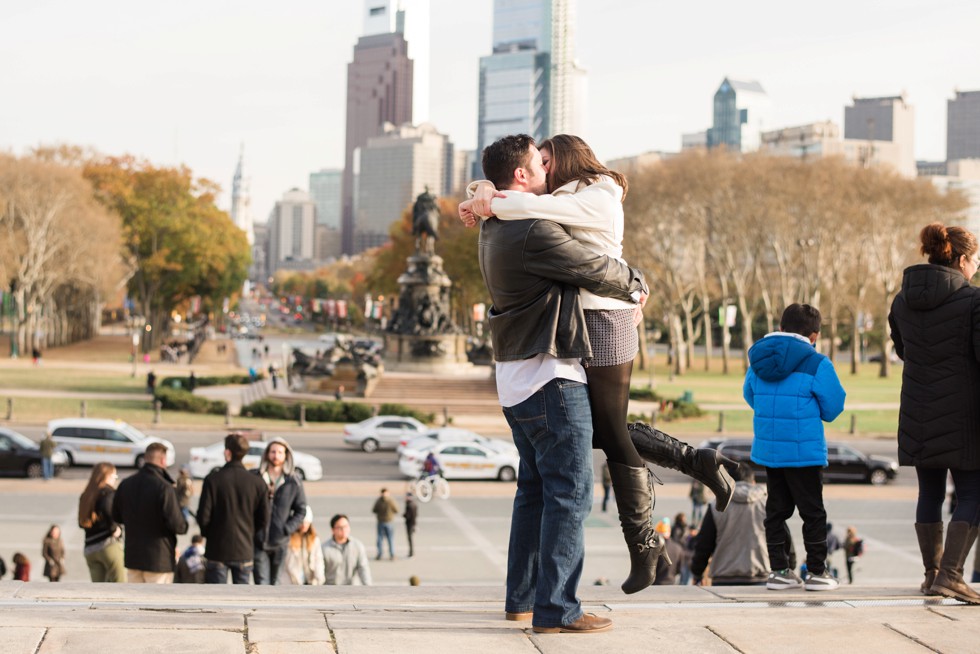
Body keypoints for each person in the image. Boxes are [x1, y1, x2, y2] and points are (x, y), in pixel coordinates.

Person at [462, 134, 736, 597]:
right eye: (538, 162)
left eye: (549, 160)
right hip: (585, 321)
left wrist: (489, 198)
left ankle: (647, 541)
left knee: (608, 431)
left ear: (567, 160)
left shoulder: (597, 197)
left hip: (607, 318)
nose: (544, 169)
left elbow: (530, 209)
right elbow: (520, 198)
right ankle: (695, 465)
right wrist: (483, 191)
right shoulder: (556, 196)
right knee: (606, 429)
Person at [462, 135, 648, 634]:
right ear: (520, 177)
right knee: (571, 494)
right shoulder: (534, 231)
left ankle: (521, 600)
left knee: (535, 493)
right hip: (551, 376)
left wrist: (481, 192)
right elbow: (593, 268)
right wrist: (637, 283)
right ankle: (558, 610)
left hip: (515, 380)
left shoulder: (495, 224)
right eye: (538, 166)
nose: (547, 173)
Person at [889, 222, 980, 604]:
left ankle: (932, 575)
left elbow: (903, 350)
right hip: (964, 413)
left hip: (917, 408)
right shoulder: (973, 301)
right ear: (961, 259)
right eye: (974, 259)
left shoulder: (900, 300)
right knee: (973, 493)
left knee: (929, 491)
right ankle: (952, 575)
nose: (976, 266)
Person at [744, 303, 846, 592]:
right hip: (805, 453)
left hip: (770, 451)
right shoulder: (817, 363)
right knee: (813, 512)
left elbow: (750, 395)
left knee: (776, 511)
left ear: (780, 328)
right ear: (814, 335)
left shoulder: (759, 359)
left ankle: (779, 571)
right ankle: (816, 571)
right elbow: (833, 407)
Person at [196, 433, 270, 584]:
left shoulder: (213, 480)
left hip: (217, 548)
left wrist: (209, 534)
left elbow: (203, 516)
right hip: (244, 548)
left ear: (227, 452)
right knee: (241, 600)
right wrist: (250, 533)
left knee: (216, 600)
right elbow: (264, 518)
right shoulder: (257, 482)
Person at [111, 442, 188, 583]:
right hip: (159, 558)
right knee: (157, 602)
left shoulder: (126, 484)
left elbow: (116, 516)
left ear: (145, 458)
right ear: (163, 460)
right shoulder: (164, 488)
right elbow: (179, 526)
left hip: (133, 556)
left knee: (135, 601)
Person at [691, 463, 770, 586]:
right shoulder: (767, 505)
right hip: (761, 577)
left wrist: (697, 572)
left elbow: (704, 544)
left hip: (724, 577)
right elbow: (784, 539)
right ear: (753, 482)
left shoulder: (717, 506)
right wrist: (787, 567)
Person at [253, 437, 307, 584]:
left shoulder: (293, 481)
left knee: (276, 582)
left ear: (286, 456)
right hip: (258, 540)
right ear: (267, 454)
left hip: (280, 541)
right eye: (273, 452)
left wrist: (287, 528)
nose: (276, 455)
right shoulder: (256, 477)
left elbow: (301, 510)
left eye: (280, 452)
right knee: (261, 582)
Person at [77, 462, 126, 582]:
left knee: (99, 589)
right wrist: (115, 528)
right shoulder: (109, 493)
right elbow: (106, 507)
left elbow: (81, 522)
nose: (115, 480)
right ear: (107, 476)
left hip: (90, 548)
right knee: (119, 585)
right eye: (114, 476)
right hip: (108, 545)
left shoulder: (86, 495)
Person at [323, 514, 372, 585]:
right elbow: (320, 574)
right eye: (340, 527)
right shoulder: (324, 549)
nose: (343, 529)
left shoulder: (357, 546)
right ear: (333, 530)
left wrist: (368, 588)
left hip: (352, 590)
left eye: (346, 526)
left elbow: (363, 569)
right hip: (331, 590)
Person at [283, 506, 325, 585]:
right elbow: (287, 564)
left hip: (310, 581)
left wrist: (320, 578)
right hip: (291, 582)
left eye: (307, 522)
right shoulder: (288, 539)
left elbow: (318, 559)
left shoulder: (314, 539)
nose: (304, 525)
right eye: (302, 522)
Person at [653, 519, 683, 585]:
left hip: (656, 584)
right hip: (671, 583)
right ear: (669, 532)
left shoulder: (654, 548)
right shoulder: (678, 548)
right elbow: (679, 568)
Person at [372, 488, 399, 561]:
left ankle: (380, 554)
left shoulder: (379, 501)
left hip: (381, 521)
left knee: (380, 539)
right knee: (390, 539)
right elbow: (396, 510)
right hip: (389, 521)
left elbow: (374, 510)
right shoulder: (390, 500)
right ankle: (392, 554)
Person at [404, 492, 418, 558]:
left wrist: (404, 515)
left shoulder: (409, 505)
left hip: (410, 524)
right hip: (413, 523)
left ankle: (411, 552)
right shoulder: (413, 504)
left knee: (410, 539)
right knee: (410, 538)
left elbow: (409, 516)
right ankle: (411, 552)